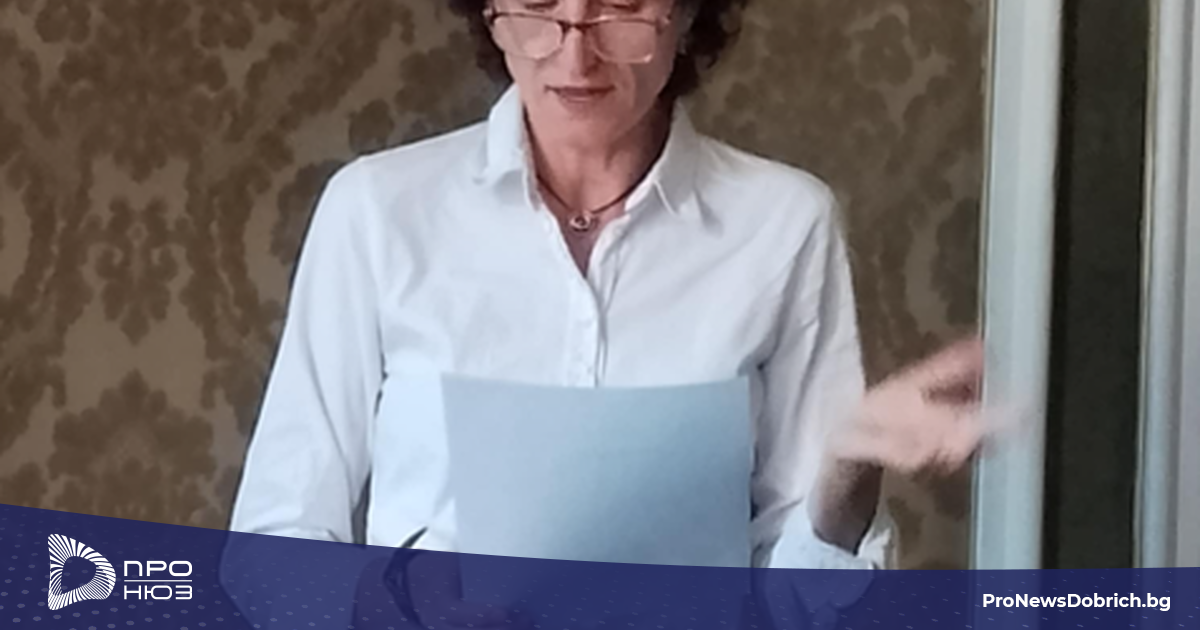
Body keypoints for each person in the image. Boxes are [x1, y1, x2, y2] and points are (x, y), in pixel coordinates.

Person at [227, 0, 988, 624]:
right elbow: (271, 548)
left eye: (620, 7)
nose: (574, 52)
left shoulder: (785, 223)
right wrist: (393, 606)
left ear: (687, 16)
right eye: (537, 6)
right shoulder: (377, 210)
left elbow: (797, 605)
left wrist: (850, 463)